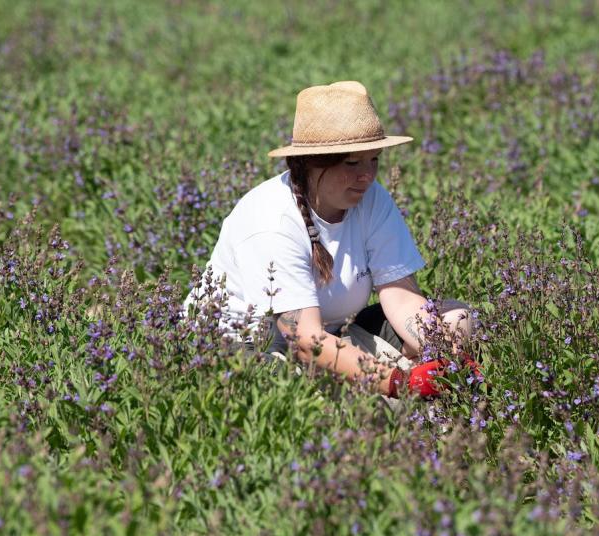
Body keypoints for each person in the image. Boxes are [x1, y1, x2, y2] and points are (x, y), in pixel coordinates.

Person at [184, 81, 476, 399]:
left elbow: (402, 298)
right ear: (312, 164)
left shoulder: (372, 199)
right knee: (299, 392)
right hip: (251, 343)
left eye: (374, 160)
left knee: (455, 319)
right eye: (352, 163)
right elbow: (306, 339)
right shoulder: (273, 221)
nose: (367, 175)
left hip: (336, 328)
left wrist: (440, 349)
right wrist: (400, 383)